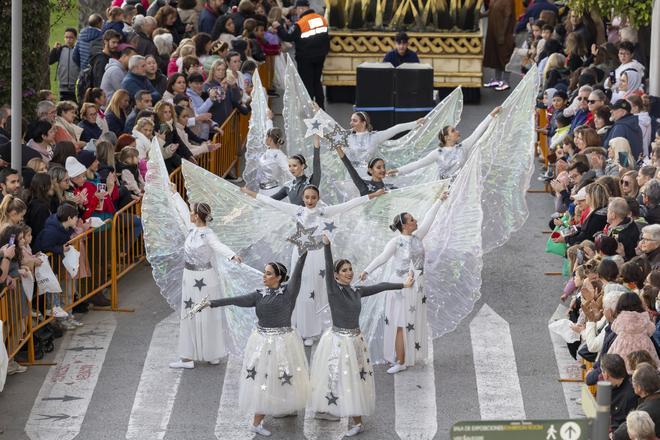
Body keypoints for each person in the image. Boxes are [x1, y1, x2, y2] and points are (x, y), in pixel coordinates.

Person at [241, 184, 385, 346]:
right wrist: (249, 193)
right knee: (299, 290)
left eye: (313, 197)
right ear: (303, 198)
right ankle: (297, 326)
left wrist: (374, 195)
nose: (310, 200)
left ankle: (311, 330)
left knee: (316, 290)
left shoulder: (324, 212)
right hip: (301, 254)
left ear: (318, 198)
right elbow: (272, 202)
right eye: (307, 197)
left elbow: (349, 204)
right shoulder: (298, 211)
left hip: (318, 256)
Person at [308, 236, 413, 437]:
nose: (349, 273)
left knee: (353, 379)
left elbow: (381, 286)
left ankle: (357, 422)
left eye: (350, 269)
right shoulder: (333, 291)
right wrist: (328, 246)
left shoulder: (356, 291)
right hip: (337, 341)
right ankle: (326, 409)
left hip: (354, 341)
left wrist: (403, 286)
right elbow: (328, 267)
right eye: (344, 270)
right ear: (336, 276)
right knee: (332, 374)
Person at [195, 255, 310, 437]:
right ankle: (256, 423)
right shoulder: (258, 295)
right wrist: (211, 303)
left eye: (268, 274)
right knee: (265, 380)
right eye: (264, 273)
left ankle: (285, 407)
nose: (264, 277)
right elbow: (234, 300)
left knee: (284, 375)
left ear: (279, 277)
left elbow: (298, 271)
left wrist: (304, 250)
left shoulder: (289, 293)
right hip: (264, 343)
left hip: (284, 343)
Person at [360, 194, 444, 372]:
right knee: (399, 322)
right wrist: (367, 270)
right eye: (412, 219)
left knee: (410, 320)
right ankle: (399, 359)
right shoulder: (396, 242)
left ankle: (406, 356)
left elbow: (430, 217)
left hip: (417, 284)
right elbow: (382, 257)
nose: (416, 220)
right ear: (405, 225)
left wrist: (439, 200)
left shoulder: (418, 237)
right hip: (400, 285)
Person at [167, 192, 243, 369]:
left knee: (207, 314)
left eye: (192, 212)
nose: (189, 214)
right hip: (189, 277)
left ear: (196, 216)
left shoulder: (208, 234)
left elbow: (218, 246)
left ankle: (212, 353)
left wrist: (232, 255)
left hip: (205, 279)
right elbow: (181, 209)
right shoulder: (191, 228)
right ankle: (187, 357)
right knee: (190, 314)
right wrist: (174, 193)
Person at [389, 107, 502, 180]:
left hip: (461, 187)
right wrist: (399, 170)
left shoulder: (463, 147)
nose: (457, 131)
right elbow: (418, 164)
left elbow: (477, 131)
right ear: (446, 137)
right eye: (453, 130)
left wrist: (491, 115)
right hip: (444, 189)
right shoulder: (438, 153)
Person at [273, 0, 329, 108]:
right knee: (317, 81)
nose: (297, 12)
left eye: (297, 9)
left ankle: (309, 108)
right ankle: (321, 108)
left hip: (305, 57)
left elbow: (288, 37)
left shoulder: (301, 23)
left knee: (307, 83)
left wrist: (279, 27)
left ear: (301, 9)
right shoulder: (321, 19)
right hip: (320, 55)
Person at [613, 363, 660, 439]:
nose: (631, 385)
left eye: (632, 382)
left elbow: (620, 434)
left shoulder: (648, 409)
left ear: (639, 388)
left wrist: (612, 436)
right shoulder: (653, 399)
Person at [600, 353, 639, 430]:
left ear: (606, 375)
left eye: (602, 371)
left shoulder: (629, 396)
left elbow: (624, 425)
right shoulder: (625, 382)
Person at [482, 0, 515, 91]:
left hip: (504, 34)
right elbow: (491, 10)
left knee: (505, 57)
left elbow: (508, 17)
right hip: (493, 33)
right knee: (496, 56)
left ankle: (506, 82)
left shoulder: (508, 2)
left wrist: (502, 34)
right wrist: (482, 15)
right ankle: (497, 80)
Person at [49, 28, 80, 102]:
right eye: (66, 37)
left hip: (75, 85)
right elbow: (50, 61)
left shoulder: (78, 51)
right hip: (62, 84)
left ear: (75, 38)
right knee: (63, 105)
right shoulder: (60, 50)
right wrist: (54, 49)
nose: (68, 39)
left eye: (71, 37)